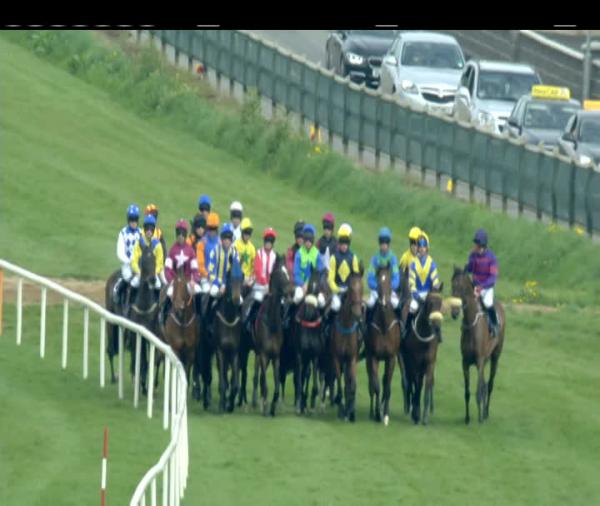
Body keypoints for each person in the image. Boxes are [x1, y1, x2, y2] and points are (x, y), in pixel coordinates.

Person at [160, 220, 201, 325]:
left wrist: (194, 280)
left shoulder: (190, 251)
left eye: (182, 234)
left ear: (185, 235)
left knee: (198, 291)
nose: (180, 236)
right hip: (175, 281)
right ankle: (164, 316)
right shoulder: (172, 250)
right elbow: (167, 269)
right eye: (179, 234)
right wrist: (172, 281)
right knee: (169, 292)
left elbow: (195, 270)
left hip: (187, 281)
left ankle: (199, 317)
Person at [205, 223, 242, 333]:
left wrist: (227, 284)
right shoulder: (215, 251)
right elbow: (211, 272)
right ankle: (208, 320)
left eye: (229, 238)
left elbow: (237, 272)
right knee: (213, 293)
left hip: (230, 285)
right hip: (216, 283)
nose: (227, 241)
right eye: (225, 238)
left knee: (240, 300)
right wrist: (219, 283)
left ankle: (240, 325)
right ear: (221, 239)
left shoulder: (235, 253)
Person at [326, 223, 361, 336]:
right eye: (342, 243)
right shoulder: (334, 258)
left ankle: (360, 331)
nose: (344, 246)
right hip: (338, 291)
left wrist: (352, 289)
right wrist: (338, 289)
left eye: (346, 244)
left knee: (357, 307)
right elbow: (330, 279)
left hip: (350, 291)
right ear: (339, 244)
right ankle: (327, 328)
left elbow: (356, 278)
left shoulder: (353, 257)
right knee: (335, 305)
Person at [405, 233, 441, 341]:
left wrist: (434, 292)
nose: (421, 249)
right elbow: (411, 283)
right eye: (420, 247)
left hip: (429, 294)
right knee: (412, 307)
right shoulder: (413, 264)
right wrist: (416, 295)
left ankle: (438, 333)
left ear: (427, 248)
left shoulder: (432, 263)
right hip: (417, 294)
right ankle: (406, 330)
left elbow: (435, 281)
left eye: (423, 247)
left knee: (436, 310)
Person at [466, 229, 499, 337]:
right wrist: (470, 260)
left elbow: (493, 278)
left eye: (476, 244)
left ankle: (495, 324)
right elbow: (470, 270)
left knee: (488, 303)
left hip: (487, 288)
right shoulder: (473, 255)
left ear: (482, 245)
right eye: (475, 244)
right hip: (476, 286)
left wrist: (482, 287)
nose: (475, 246)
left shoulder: (492, 258)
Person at [243, 227, 278, 333]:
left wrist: (270, 285)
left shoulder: (275, 256)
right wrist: (265, 283)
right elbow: (258, 271)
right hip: (259, 285)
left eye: (270, 241)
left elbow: (275, 273)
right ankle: (248, 321)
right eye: (267, 241)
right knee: (258, 298)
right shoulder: (258, 253)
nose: (268, 243)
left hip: (270, 287)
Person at [366, 227, 401, 324]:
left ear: (388, 244)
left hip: (389, 290)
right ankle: (366, 327)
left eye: (386, 243)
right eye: (382, 243)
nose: (384, 246)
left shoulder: (393, 258)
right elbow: (370, 277)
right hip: (377, 290)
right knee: (370, 303)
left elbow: (396, 277)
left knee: (397, 304)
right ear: (379, 244)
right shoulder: (375, 259)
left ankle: (401, 326)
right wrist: (378, 286)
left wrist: (389, 287)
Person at [114, 204, 142, 306]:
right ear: (128, 219)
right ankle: (119, 292)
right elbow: (120, 252)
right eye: (131, 219)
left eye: (135, 219)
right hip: (128, 265)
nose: (133, 222)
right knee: (128, 277)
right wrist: (129, 261)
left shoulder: (141, 233)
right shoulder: (123, 233)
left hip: (139, 265)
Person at [130, 214, 165, 294]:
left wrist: (154, 273)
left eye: (151, 228)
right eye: (147, 228)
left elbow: (159, 263)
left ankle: (157, 302)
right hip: (140, 272)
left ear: (153, 229)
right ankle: (128, 300)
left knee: (158, 285)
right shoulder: (139, 243)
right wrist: (138, 272)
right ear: (144, 229)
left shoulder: (157, 245)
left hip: (152, 273)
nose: (149, 231)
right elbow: (134, 261)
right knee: (134, 283)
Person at [293, 224, 325, 307]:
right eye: (306, 240)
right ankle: (289, 314)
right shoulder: (299, 253)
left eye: (310, 240)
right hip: (301, 285)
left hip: (314, 285)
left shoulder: (317, 254)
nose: (308, 243)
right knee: (298, 296)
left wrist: (317, 286)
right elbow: (296, 274)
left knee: (321, 301)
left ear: (312, 240)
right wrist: (303, 284)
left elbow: (321, 273)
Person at [144, 203, 167, 285]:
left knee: (165, 282)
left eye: (154, 215)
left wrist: (162, 264)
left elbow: (164, 250)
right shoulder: (142, 232)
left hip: (158, 265)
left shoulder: (158, 232)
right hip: (144, 265)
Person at [234, 217, 256, 296]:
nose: (247, 235)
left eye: (249, 233)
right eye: (246, 232)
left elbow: (254, 266)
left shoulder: (252, 248)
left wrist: (252, 278)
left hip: (248, 279)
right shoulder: (235, 245)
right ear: (242, 232)